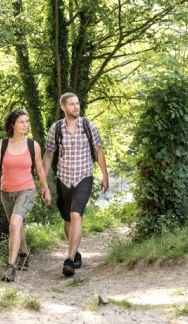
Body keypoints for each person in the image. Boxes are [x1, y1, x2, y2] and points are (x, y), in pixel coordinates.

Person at [41, 92, 109, 277]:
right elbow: (48, 155)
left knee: (76, 213)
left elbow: (98, 151)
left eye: (77, 104)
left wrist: (105, 175)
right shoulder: (56, 129)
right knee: (67, 220)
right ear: (63, 107)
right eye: (71, 104)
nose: (76, 107)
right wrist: (43, 182)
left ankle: (69, 259)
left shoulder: (88, 126)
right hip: (63, 178)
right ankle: (75, 251)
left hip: (84, 176)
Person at [0, 109, 51, 283]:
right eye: (22, 122)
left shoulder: (32, 145)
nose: (25, 125)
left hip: (26, 190)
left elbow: (39, 169)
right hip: (6, 191)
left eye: (27, 121)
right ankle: (23, 254)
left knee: (14, 224)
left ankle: (10, 267)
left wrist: (45, 188)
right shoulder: (2, 145)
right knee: (17, 226)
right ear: (13, 124)